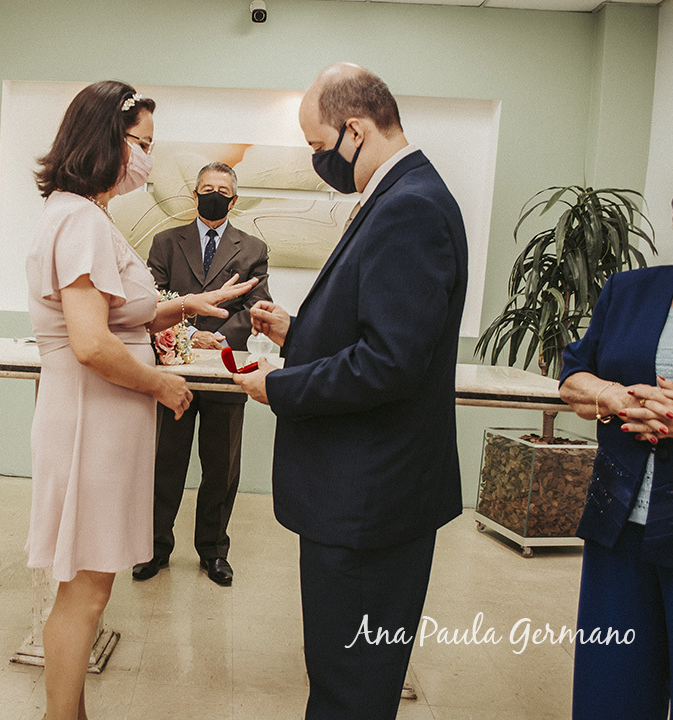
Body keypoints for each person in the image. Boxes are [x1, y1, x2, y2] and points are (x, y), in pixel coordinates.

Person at [234, 64, 468, 720]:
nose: (317, 162)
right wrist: (297, 330)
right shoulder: (404, 195)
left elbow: (390, 364)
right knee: (344, 675)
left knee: (351, 686)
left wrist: (280, 387)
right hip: (368, 491)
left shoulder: (411, 206)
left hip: (371, 498)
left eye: (317, 146)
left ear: (355, 130)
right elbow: (379, 326)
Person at [26, 81, 258, 720]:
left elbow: (121, 309)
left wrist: (182, 305)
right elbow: (93, 343)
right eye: (143, 144)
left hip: (101, 418)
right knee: (84, 593)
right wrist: (161, 382)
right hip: (90, 419)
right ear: (106, 139)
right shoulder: (78, 218)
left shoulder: (87, 216)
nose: (149, 158)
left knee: (88, 588)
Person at [558, 163, 673, 720]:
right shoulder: (631, 289)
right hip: (619, 529)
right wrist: (612, 395)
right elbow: (574, 376)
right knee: (609, 693)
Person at [134, 161, 270, 586]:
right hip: (174, 369)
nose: (214, 194)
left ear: (234, 198)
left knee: (221, 467)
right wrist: (190, 334)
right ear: (195, 195)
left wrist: (218, 339)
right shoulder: (165, 242)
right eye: (206, 188)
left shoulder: (252, 249)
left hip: (229, 371)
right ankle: (154, 547)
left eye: (222, 189)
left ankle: (213, 551)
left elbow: (256, 308)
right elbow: (150, 300)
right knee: (164, 462)